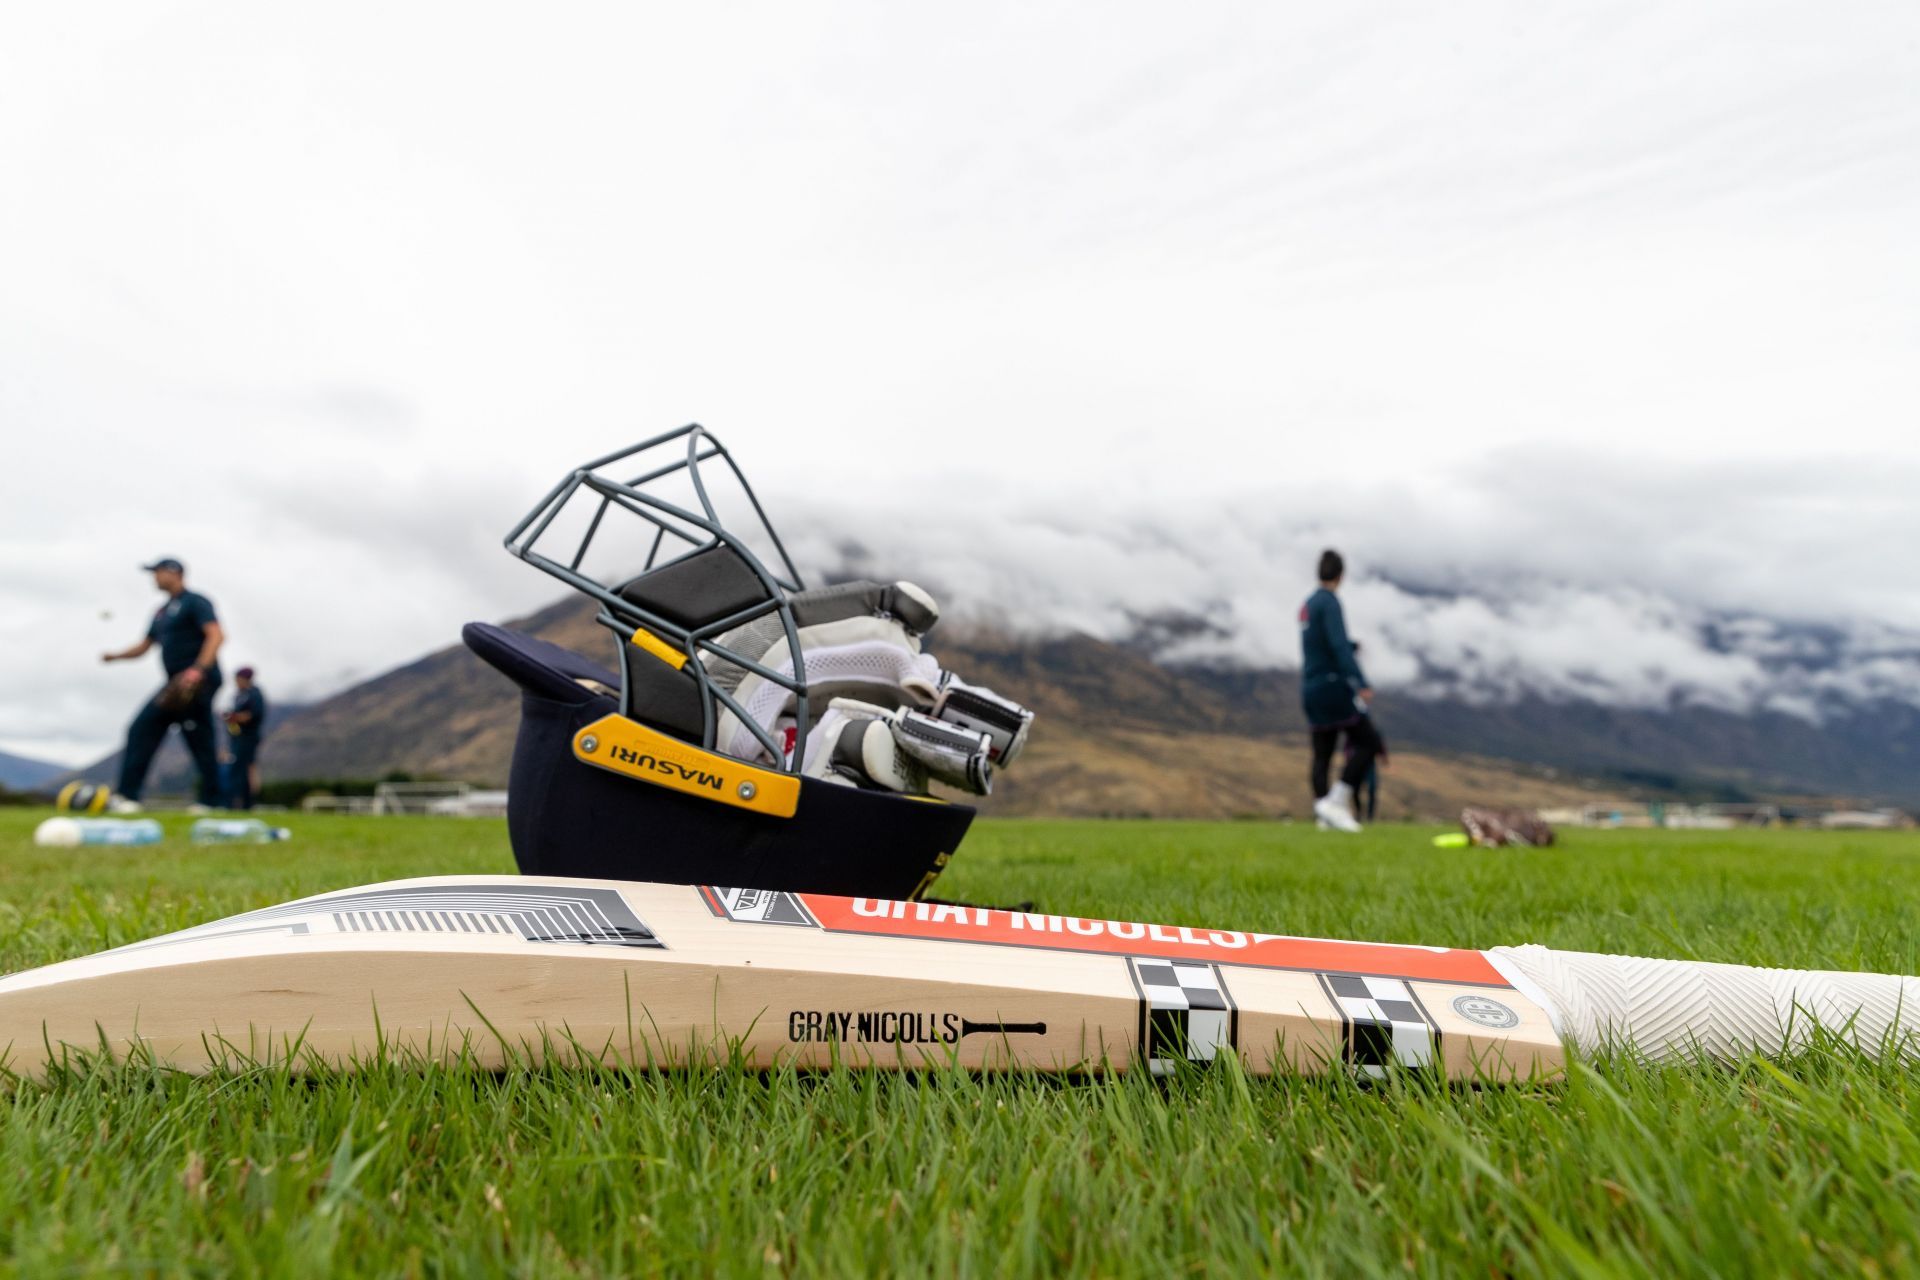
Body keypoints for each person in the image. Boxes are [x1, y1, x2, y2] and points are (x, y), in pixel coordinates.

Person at [101, 558, 225, 812]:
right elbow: (145, 646)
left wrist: (198, 670)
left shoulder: (195, 602)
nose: (154, 578)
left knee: (199, 738)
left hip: (197, 681)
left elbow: (216, 635)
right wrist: (116, 656)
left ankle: (212, 801)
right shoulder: (161, 612)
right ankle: (127, 797)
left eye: (157, 572)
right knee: (141, 729)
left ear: (174, 573)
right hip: (173, 685)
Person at [1299, 548, 1382, 833]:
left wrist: (1348, 645)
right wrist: (1361, 682)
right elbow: (1336, 646)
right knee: (1369, 741)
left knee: (1322, 753)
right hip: (1333, 686)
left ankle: (1323, 816)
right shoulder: (1330, 602)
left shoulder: (1308, 604)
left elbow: (1323, 644)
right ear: (1341, 575)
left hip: (1310, 687)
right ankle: (1337, 800)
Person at [223, 666, 269, 810]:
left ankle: (246, 804)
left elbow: (254, 715)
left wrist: (235, 717)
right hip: (237, 738)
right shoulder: (239, 695)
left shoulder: (254, 694)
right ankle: (233, 803)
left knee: (244, 770)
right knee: (236, 770)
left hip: (248, 738)